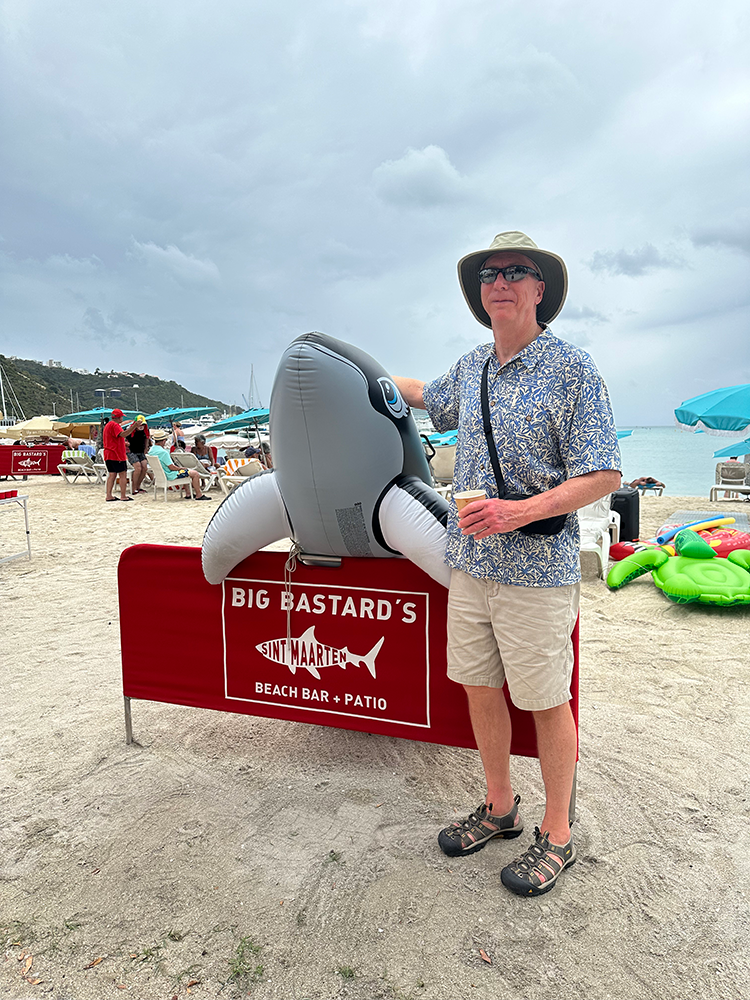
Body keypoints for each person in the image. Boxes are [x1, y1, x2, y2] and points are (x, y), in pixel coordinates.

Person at [393, 231, 621, 897]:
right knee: (479, 687)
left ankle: (558, 834)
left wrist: (517, 512)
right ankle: (500, 807)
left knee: (547, 701)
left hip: (537, 569)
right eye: (490, 273)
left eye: (516, 271)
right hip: (470, 566)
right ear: (481, 292)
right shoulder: (472, 368)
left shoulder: (573, 370)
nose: (501, 281)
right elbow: (422, 394)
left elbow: (604, 472)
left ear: (538, 288)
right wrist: (364, 377)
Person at [149, 430, 212, 500]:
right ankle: (199, 495)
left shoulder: (151, 451)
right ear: (163, 441)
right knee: (195, 474)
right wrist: (180, 468)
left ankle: (188, 493)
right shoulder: (163, 453)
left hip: (161, 475)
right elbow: (172, 467)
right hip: (170, 475)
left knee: (185, 471)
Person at [102, 408, 134, 502]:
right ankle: (123, 496)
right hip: (116, 454)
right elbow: (124, 434)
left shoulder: (108, 425)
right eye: (121, 417)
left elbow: (113, 439)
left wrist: (123, 443)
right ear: (118, 418)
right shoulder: (115, 425)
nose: (122, 419)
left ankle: (109, 495)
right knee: (122, 474)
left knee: (112, 475)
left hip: (108, 453)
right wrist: (134, 426)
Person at [126, 415, 151, 495]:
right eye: (140, 424)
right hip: (131, 451)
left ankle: (138, 486)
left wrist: (146, 449)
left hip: (140, 451)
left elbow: (146, 438)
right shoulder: (130, 430)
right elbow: (124, 437)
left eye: (143, 424)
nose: (141, 426)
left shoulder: (145, 430)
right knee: (138, 468)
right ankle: (133, 488)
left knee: (144, 468)